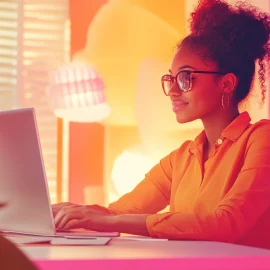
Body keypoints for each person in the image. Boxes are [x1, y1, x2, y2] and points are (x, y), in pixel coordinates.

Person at [52, 0, 270, 249]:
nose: (173, 91)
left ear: (227, 84)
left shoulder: (262, 139)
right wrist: (59, 210)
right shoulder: (180, 159)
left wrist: (113, 221)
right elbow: (117, 212)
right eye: (171, 78)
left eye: (186, 78)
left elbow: (226, 224)